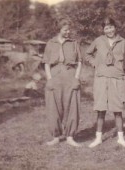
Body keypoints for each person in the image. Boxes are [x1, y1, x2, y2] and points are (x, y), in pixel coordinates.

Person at [86, 17, 125, 148]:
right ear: (103, 30)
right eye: (106, 28)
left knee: (118, 109)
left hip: (117, 78)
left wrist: (124, 66)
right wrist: (95, 65)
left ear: (115, 27)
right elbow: (88, 54)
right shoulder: (98, 41)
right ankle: (98, 138)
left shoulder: (123, 41)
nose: (109, 30)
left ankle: (121, 138)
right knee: (100, 109)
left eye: (111, 27)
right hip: (101, 78)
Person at [42, 18, 82, 147]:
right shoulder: (50, 43)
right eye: (66, 30)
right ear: (59, 29)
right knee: (53, 107)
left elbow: (80, 62)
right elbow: (46, 63)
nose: (68, 32)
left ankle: (70, 136)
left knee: (72, 106)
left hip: (70, 75)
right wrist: (49, 79)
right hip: (54, 75)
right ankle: (55, 136)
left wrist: (76, 77)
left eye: (69, 29)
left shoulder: (74, 43)